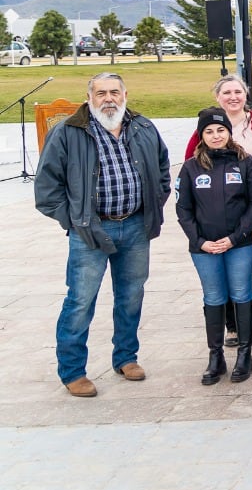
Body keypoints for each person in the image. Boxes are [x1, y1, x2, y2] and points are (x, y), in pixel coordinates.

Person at [35, 72, 171, 397]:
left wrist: (153, 202)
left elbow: (163, 171)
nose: (108, 98)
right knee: (80, 300)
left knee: (131, 295)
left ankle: (126, 357)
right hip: (90, 231)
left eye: (114, 92)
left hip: (136, 226)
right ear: (89, 97)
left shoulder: (143, 127)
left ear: (125, 95)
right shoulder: (67, 132)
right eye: (101, 93)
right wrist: (75, 220)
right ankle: (72, 371)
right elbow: (46, 189)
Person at [183, 74, 252, 346]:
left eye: (238, 91)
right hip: (214, 214)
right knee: (220, 271)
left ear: (246, 95)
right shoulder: (207, 125)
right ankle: (231, 326)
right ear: (217, 97)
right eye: (227, 92)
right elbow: (190, 164)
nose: (233, 97)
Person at [176, 107, 252, 385]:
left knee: (241, 292)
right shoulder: (191, 167)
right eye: (209, 131)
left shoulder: (245, 163)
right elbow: (183, 210)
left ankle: (244, 354)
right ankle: (216, 357)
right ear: (201, 135)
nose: (216, 135)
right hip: (205, 248)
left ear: (229, 132)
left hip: (239, 243)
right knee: (213, 297)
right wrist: (200, 242)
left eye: (221, 130)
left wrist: (235, 237)